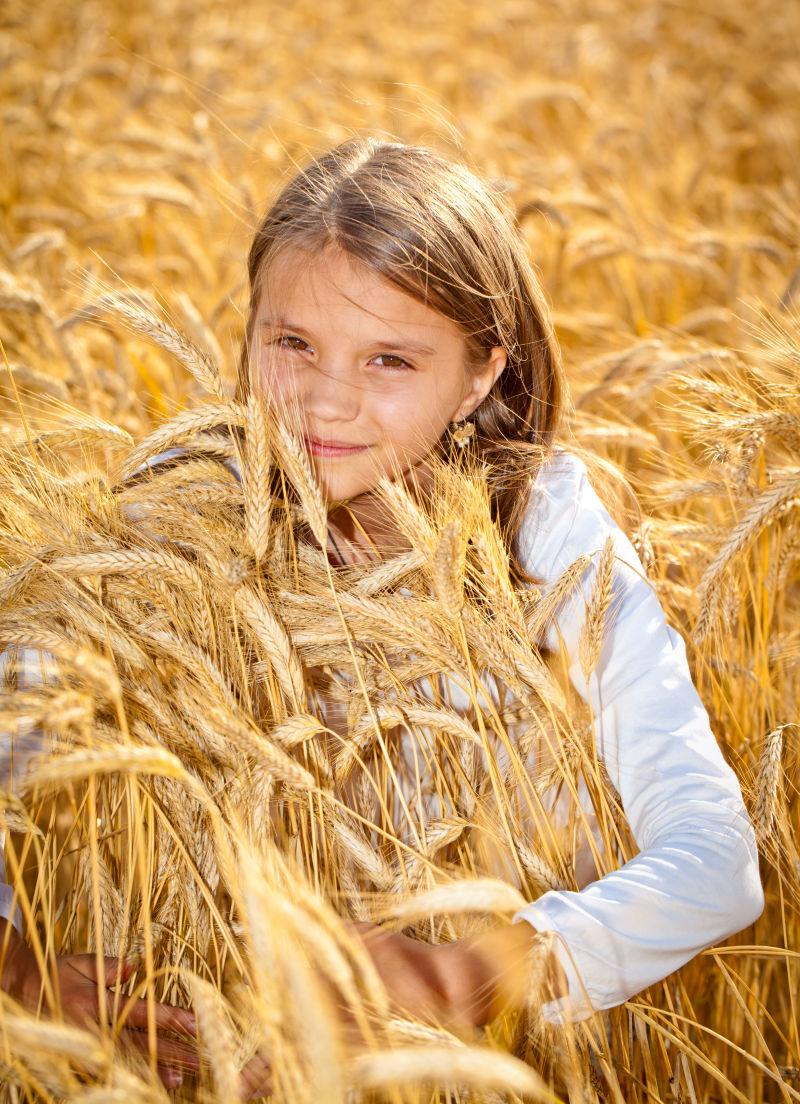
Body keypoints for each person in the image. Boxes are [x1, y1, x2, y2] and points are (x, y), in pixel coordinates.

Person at [0, 137, 765, 1096]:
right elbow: (20, 768)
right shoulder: (175, 514)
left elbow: (716, 859)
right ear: (249, 329)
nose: (327, 400)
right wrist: (20, 969)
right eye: (293, 344)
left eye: (391, 359)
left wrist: (471, 971)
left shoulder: (546, 526)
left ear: (482, 377)